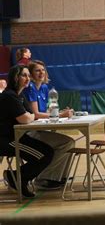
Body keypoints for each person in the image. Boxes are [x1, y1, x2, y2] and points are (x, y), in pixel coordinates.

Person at [0, 65, 54, 198]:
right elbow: (25, 118)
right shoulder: (9, 96)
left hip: (18, 136)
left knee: (48, 151)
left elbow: (31, 115)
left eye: (28, 76)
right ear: (15, 78)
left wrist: (30, 116)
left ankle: (14, 176)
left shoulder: (20, 95)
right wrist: (29, 116)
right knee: (43, 155)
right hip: (7, 140)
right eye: (24, 75)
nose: (27, 78)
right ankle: (18, 179)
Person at [23, 60, 75, 190]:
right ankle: (43, 178)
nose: (41, 72)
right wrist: (58, 115)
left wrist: (59, 112)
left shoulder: (45, 88)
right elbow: (36, 113)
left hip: (42, 128)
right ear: (31, 74)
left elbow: (46, 111)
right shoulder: (30, 88)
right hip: (30, 132)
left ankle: (59, 176)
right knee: (66, 143)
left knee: (69, 142)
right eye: (37, 70)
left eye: (43, 70)